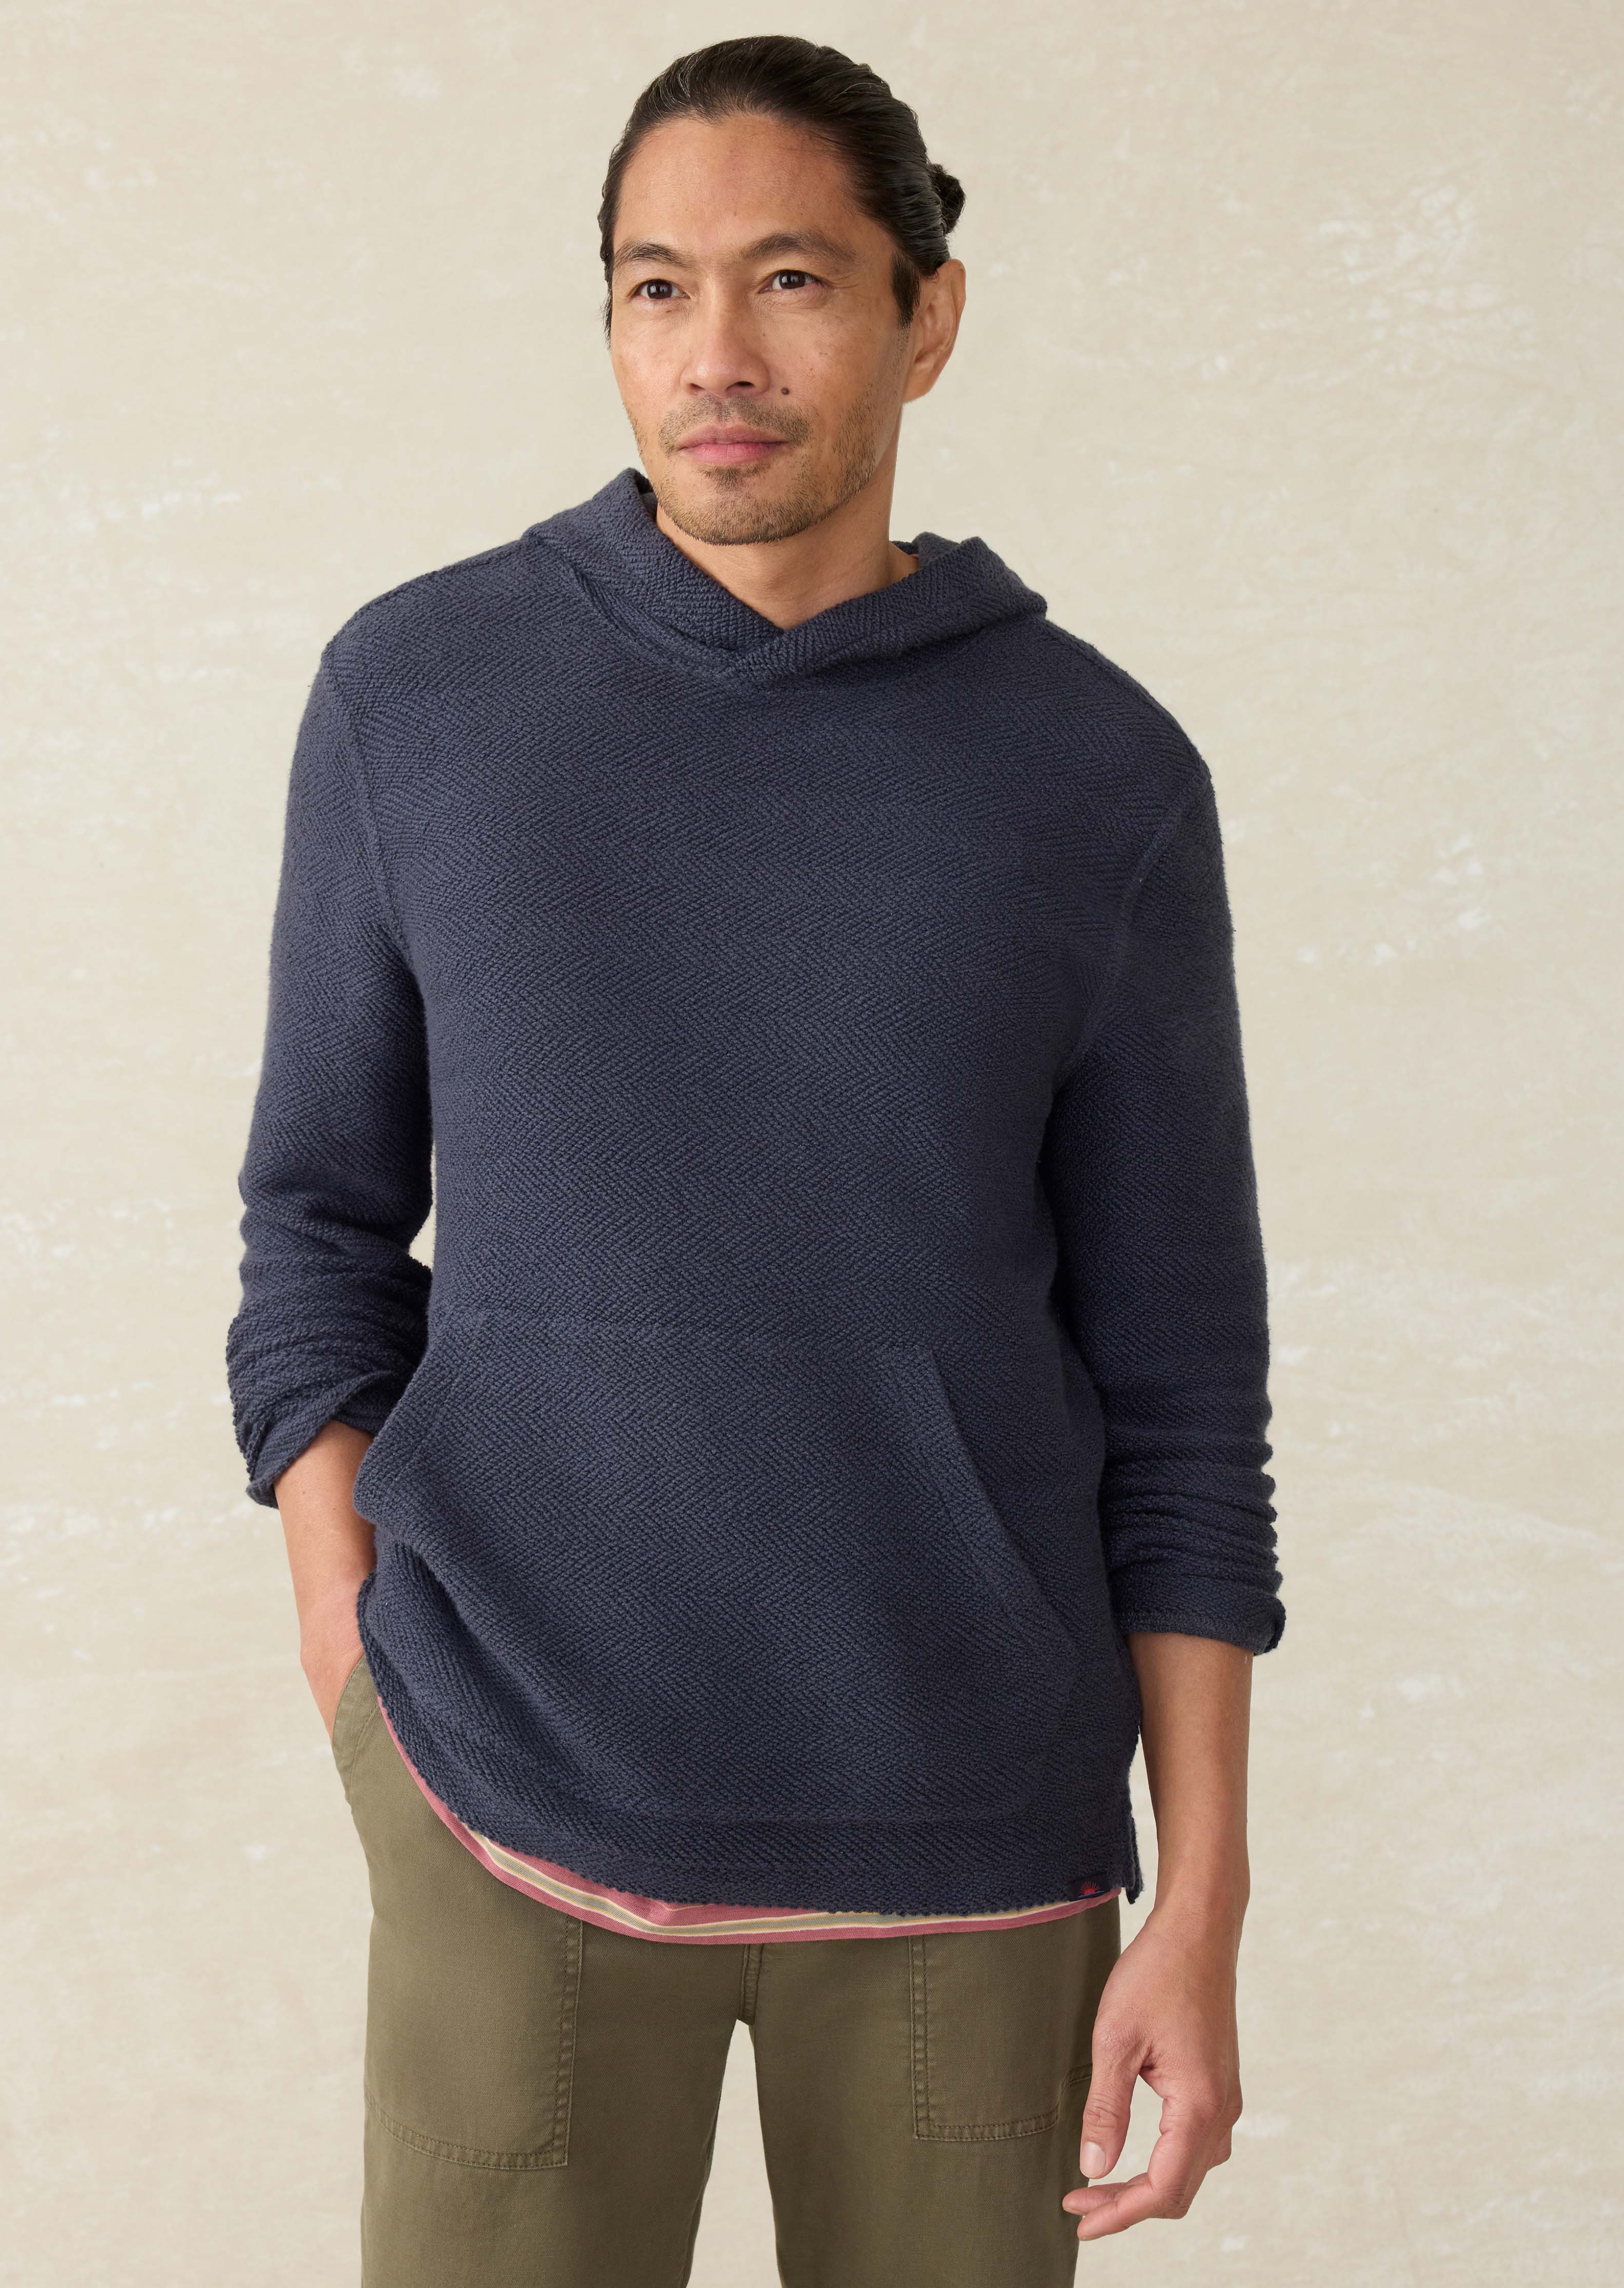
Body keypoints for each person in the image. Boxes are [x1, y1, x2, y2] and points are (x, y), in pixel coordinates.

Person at [224, 33, 1283, 2287]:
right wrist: (351, 1643)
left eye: (790, 280)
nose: (716, 354)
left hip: (969, 1855)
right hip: (503, 1804)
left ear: (926, 315)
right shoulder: (418, 700)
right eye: (655, 287)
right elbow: (315, 1222)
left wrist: (1196, 1902)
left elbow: (1185, 1384)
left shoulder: (1094, 776)